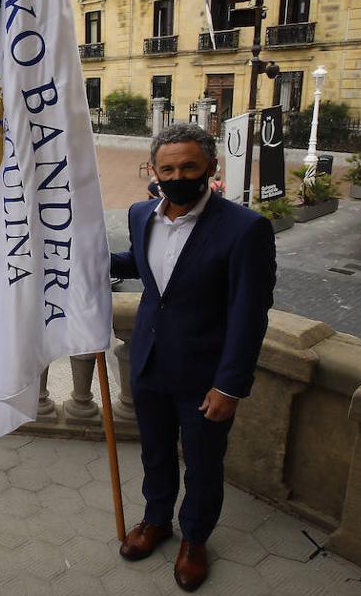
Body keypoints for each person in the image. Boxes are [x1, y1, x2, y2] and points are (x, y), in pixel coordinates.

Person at [110, 123, 276, 592]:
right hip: (148, 364)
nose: (177, 174)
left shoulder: (245, 229)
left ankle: (195, 540)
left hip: (205, 377)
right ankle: (156, 520)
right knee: (156, 453)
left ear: (210, 168)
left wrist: (229, 386)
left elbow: (249, 314)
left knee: (203, 464)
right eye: (168, 168)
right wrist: (92, 258)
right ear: (154, 171)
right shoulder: (142, 213)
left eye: (188, 166)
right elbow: (143, 265)